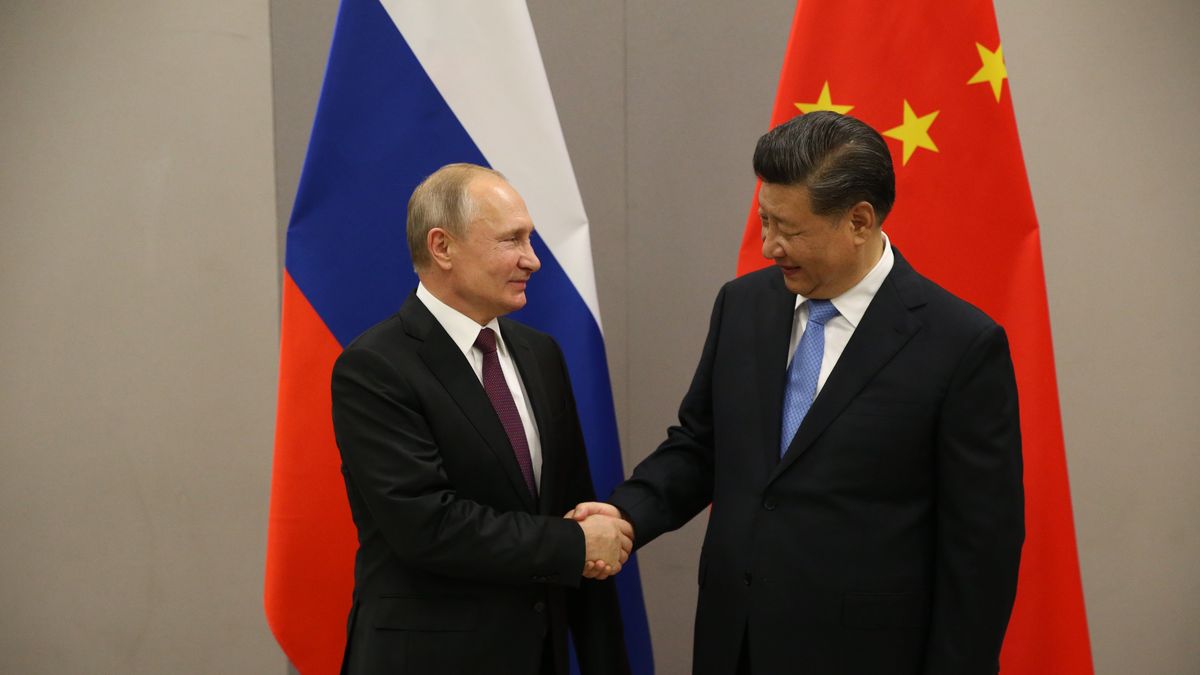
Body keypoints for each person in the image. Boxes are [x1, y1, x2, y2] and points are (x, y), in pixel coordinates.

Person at [574, 111, 1024, 674]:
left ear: (859, 221)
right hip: (733, 645)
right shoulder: (743, 305)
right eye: (765, 220)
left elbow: (981, 549)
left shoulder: (959, 344)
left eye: (789, 230)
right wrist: (625, 514)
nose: (769, 246)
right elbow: (701, 445)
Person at [332, 163, 632, 675]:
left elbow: (573, 505)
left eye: (530, 238)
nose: (533, 259)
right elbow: (428, 526)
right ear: (442, 247)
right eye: (512, 239)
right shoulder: (375, 367)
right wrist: (573, 544)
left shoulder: (541, 353)